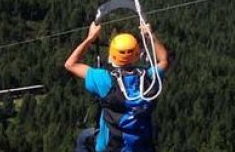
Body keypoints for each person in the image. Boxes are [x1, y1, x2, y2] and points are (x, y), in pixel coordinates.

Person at [65, 21, 169, 152]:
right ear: (137, 54)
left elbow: (70, 64)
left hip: (110, 146)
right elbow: (164, 59)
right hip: (142, 147)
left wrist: (90, 38)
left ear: (112, 54)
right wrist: (150, 35)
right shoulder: (148, 78)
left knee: (84, 137)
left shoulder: (104, 79)